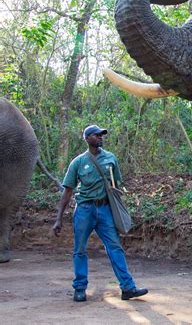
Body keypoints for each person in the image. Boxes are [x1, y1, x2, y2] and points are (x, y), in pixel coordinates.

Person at [52, 124, 148, 302]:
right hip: (84, 210)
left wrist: (118, 208)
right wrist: (59, 219)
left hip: (105, 209)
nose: (100, 137)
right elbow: (67, 191)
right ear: (87, 139)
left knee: (115, 247)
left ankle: (128, 287)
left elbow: (116, 186)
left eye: (101, 135)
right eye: (96, 135)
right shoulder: (78, 162)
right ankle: (79, 288)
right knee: (80, 249)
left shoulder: (110, 158)